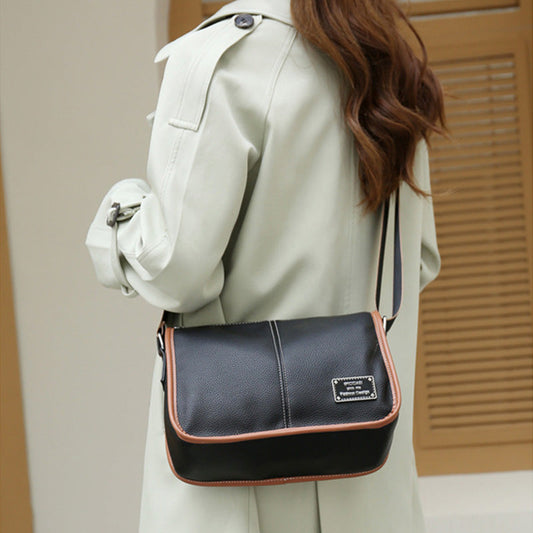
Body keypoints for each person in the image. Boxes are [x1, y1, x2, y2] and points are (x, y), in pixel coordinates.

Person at [86, 0, 447, 531]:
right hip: (368, 477)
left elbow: (175, 269)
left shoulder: (222, 59)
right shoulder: (383, 62)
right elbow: (418, 261)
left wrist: (120, 212)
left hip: (236, 479)